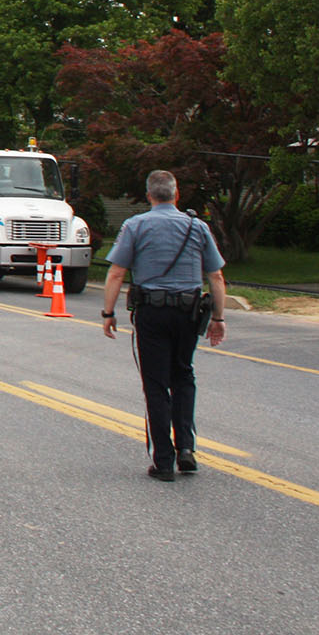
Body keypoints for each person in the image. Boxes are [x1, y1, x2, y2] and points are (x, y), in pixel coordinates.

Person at [100, 169, 229, 483]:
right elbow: (216, 277)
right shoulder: (197, 227)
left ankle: (163, 461)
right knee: (183, 375)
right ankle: (187, 449)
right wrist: (218, 318)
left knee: (156, 384)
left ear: (149, 195)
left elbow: (116, 273)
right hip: (188, 312)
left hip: (152, 313)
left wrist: (108, 313)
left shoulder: (136, 225)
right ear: (176, 194)